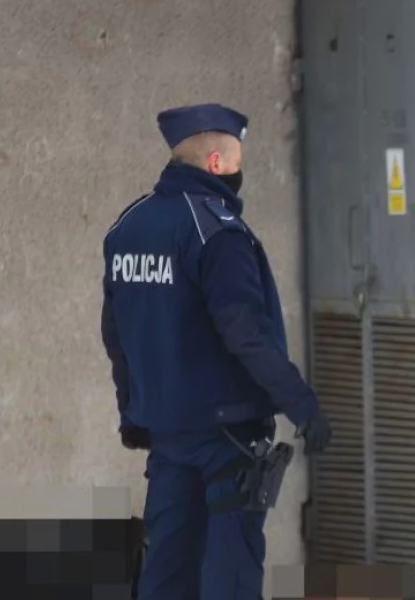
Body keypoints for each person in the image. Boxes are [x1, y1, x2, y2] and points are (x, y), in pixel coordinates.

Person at [101, 103, 333, 600]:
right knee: (230, 574)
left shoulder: (129, 227)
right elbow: (245, 330)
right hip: (227, 435)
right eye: (237, 159)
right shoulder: (216, 231)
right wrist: (302, 406)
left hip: (167, 433)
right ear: (216, 163)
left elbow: (116, 335)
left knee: (167, 571)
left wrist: (133, 412)